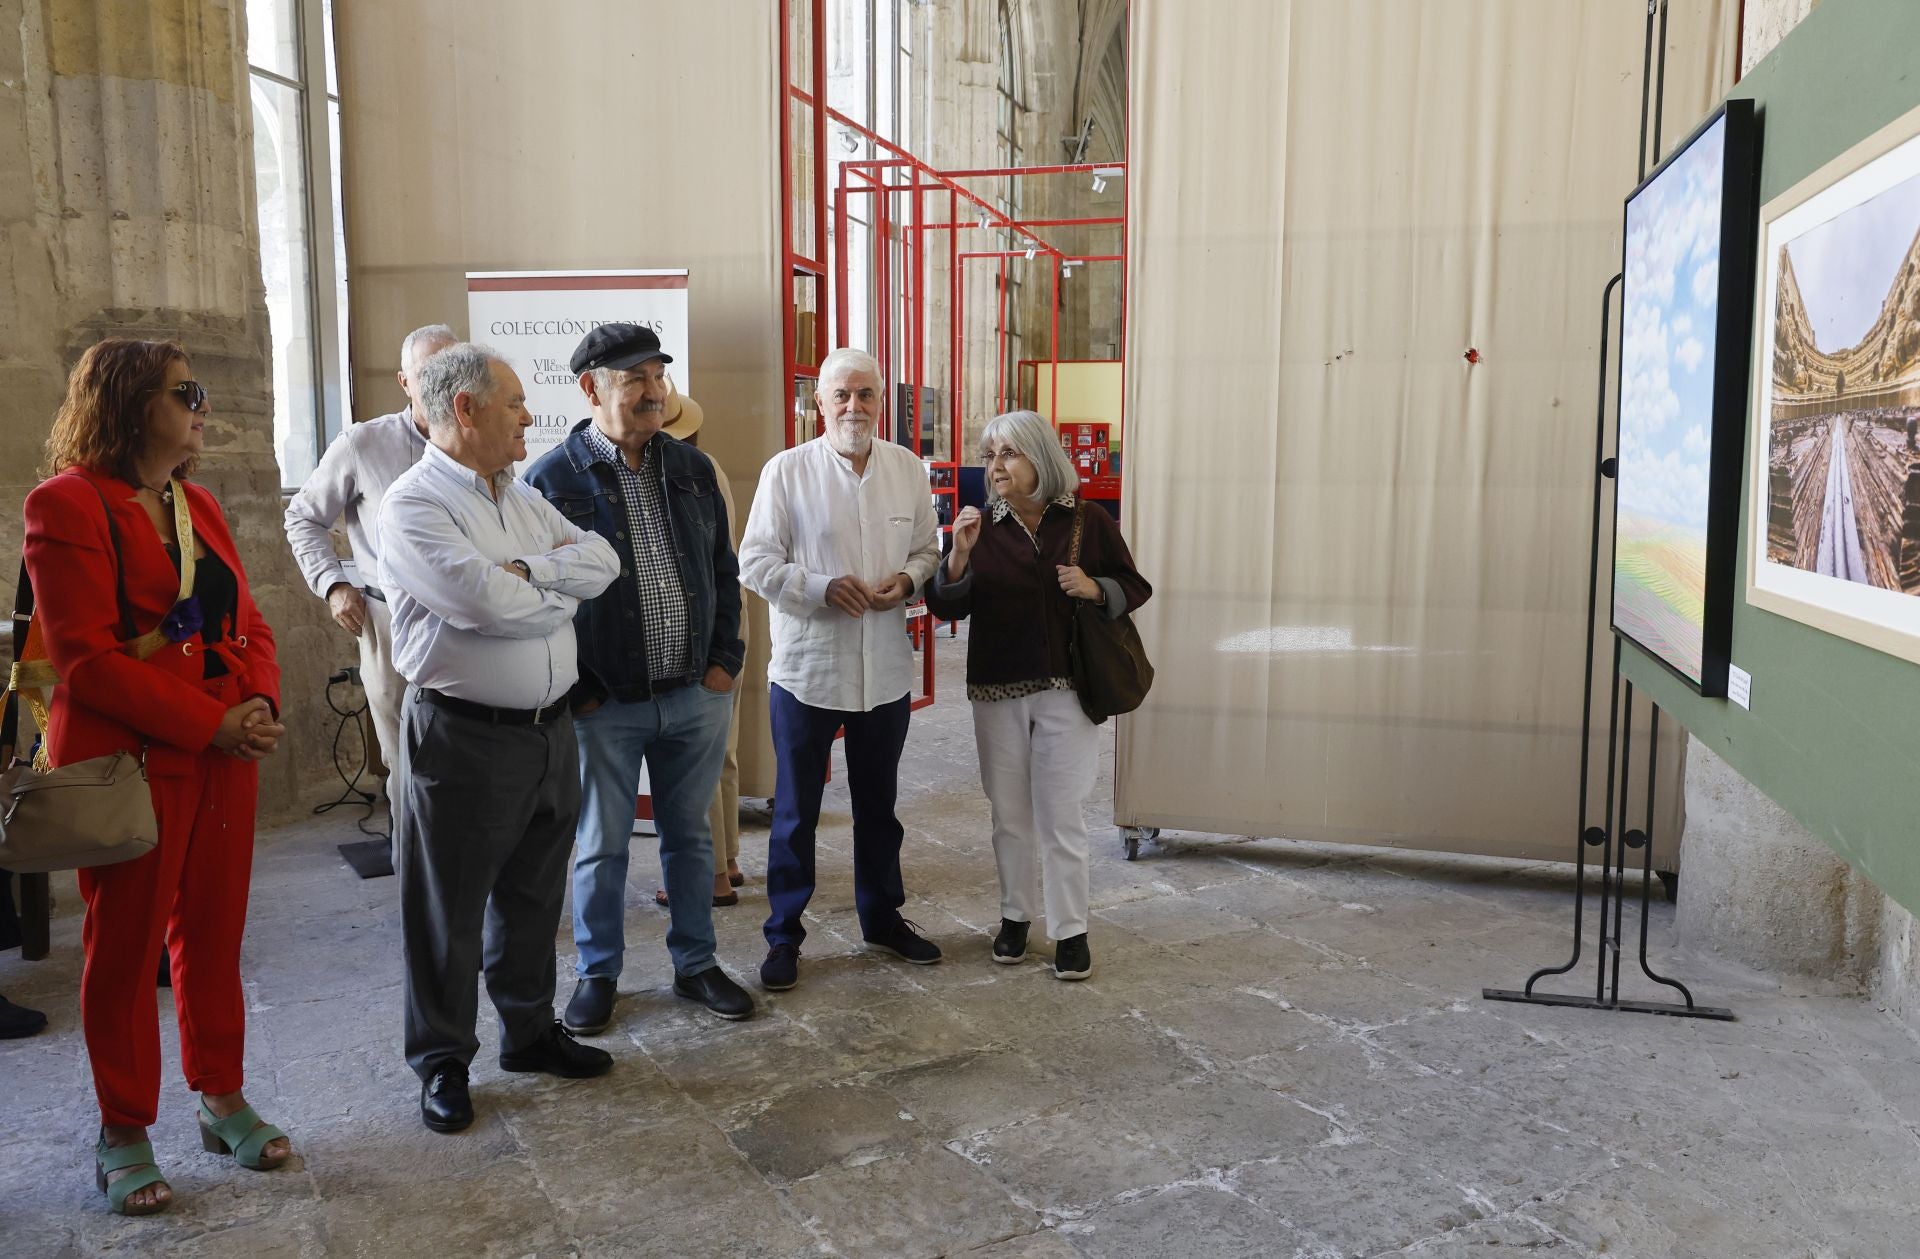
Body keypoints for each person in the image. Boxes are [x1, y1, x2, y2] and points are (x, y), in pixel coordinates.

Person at [22, 339, 290, 1214]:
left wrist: (256, 705)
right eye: (189, 393)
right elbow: (86, 660)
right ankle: (124, 1128)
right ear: (136, 404)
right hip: (136, 759)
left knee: (213, 936)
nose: (204, 406)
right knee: (127, 954)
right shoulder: (63, 505)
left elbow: (248, 621)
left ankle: (222, 1097)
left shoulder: (197, 502)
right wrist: (206, 721)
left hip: (222, 754)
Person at [378, 343, 622, 1133]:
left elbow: (604, 561)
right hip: (464, 736)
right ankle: (443, 1060)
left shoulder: (517, 493)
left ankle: (527, 1031)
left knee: (532, 897)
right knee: (445, 908)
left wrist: (529, 573)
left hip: (550, 732)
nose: (529, 416)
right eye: (515, 402)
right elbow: (486, 605)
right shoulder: (414, 504)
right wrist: (548, 584)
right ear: (465, 410)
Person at [523, 324, 753, 1035]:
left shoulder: (690, 467)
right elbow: (537, 598)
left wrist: (724, 662)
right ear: (591, 388)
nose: (654, 391)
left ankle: (696, 963)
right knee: (602, 842)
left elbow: (723, 570)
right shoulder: (550, 481)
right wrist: (579, 691)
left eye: (657, 375)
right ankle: (598, 974)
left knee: (691, 837)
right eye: (635, 379)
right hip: (604, 704)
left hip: (694, 693)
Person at [737, 347, 943, 991]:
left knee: (879, 808)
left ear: (883, 401)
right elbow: (755, 563)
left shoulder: (907, 469)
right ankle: (783, 937)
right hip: (808, 672)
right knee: (795, 812)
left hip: (882, 670)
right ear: (818, 404)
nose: (855, 407)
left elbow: (927, 549)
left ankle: (883, 918)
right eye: (842, 396)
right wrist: (821, 587)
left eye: (867, 395)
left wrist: (907, 579)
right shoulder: (786, 472)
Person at [926, 410, 1151, 980]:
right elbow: (947, 606)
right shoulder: (980, 526)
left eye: (1008, 454)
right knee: (1009, 814)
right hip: (996, 688)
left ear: (1039, 458)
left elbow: (1134, 584)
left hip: (1067, 689)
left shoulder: (1087, 520)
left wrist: (1093, 588)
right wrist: (956, 555)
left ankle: (1071, 930)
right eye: (989, 455)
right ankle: (1014, 918)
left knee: (1062, 814)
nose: (995, 466)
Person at [284, 323, 457, 853]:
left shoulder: (481, 439)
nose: (444, 381)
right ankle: (419, 888)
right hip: (390, 623)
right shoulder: (363, 444)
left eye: (453, 367)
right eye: (429, 372)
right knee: (405, 762)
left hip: (469, 620)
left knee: (470, 759)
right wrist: (334, 584)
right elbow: (303, 517)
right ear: (405, 382)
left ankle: (473, 884)